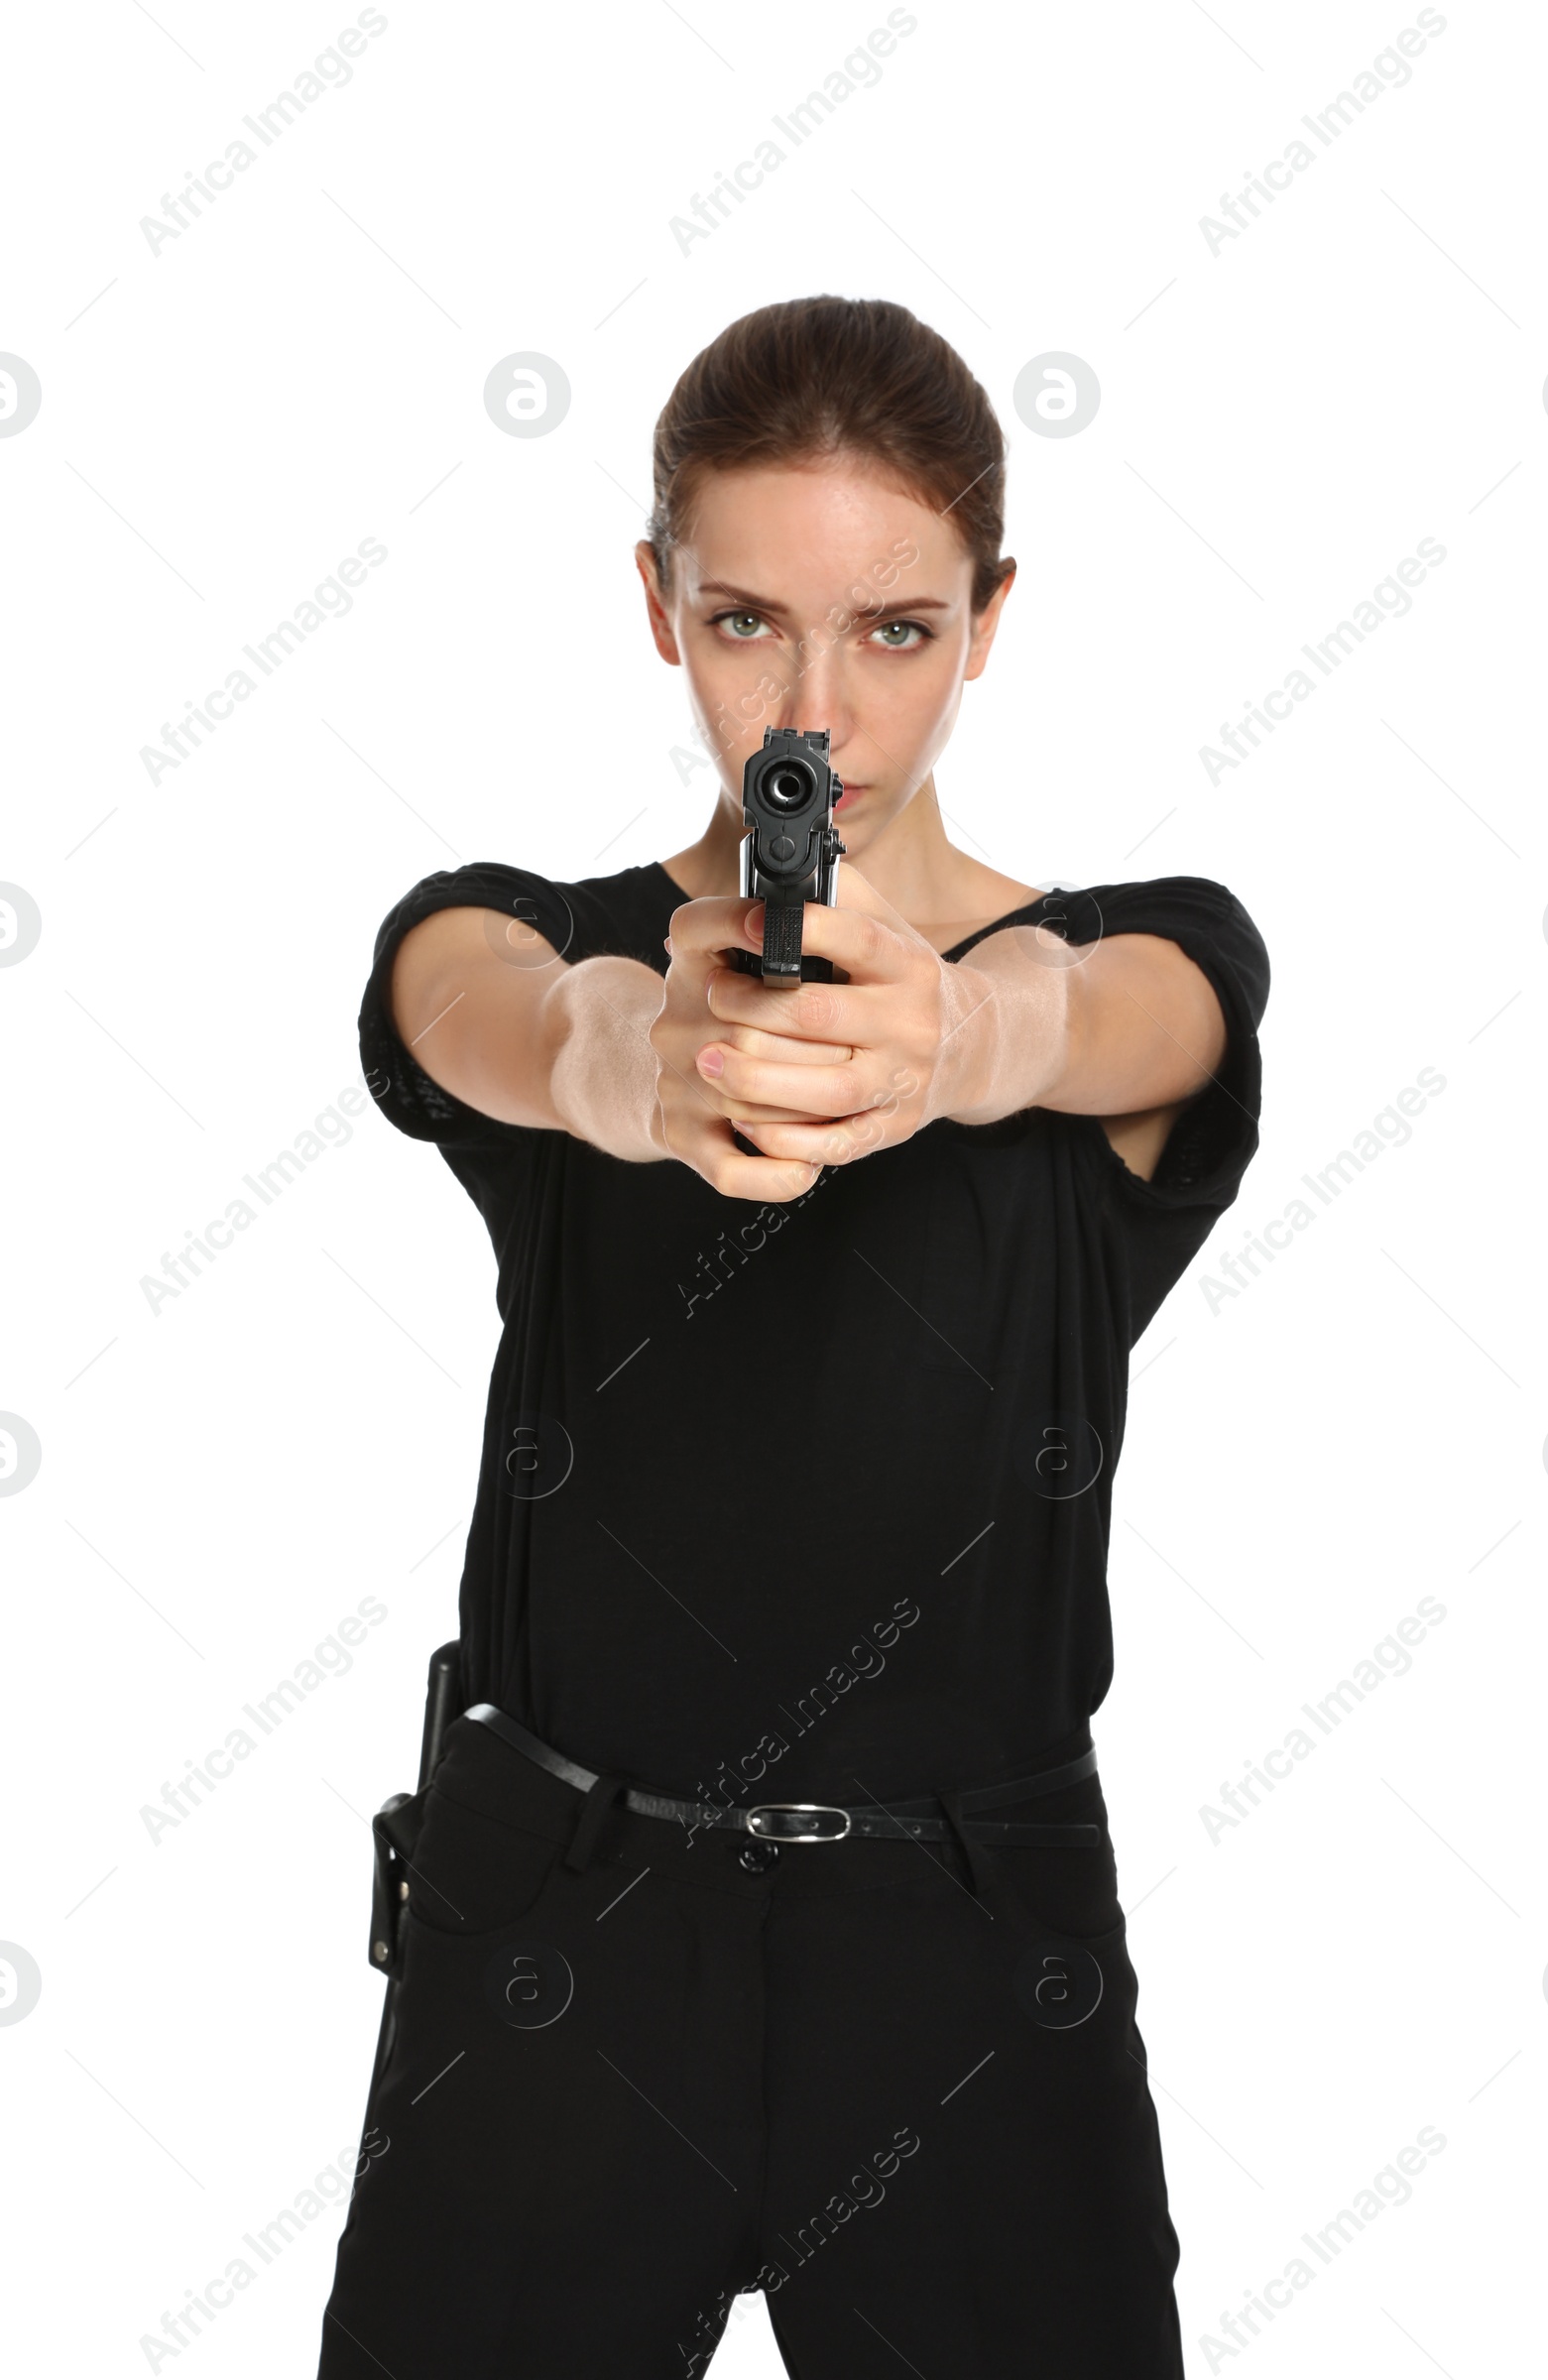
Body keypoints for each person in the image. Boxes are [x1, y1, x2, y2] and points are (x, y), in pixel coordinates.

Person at [316, 294, 1268, 2380]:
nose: (812, 709)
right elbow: (451, 992)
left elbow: (1140, 1010)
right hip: (558, 1924)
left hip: (968, 1946)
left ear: (989, 617)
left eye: (893, 631)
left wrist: (959, 1030)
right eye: (746, 620)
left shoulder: (1135, 967)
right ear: (656, 607)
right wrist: (612, 1056)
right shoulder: (546, 944)